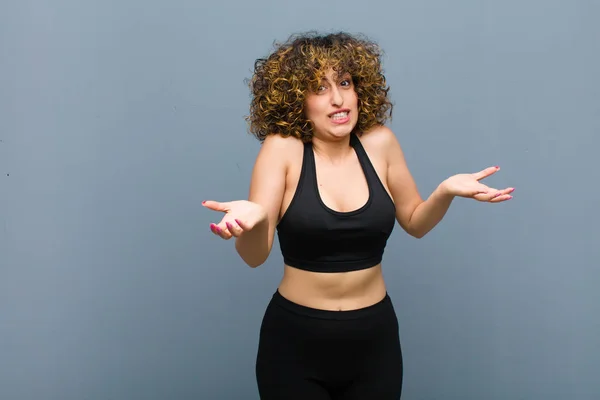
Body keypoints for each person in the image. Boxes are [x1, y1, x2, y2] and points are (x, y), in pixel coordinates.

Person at [202, 31, 513, 400]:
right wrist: (252, 221)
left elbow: (415, 222)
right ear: (296, 99)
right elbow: (255, 257)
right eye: (320, 88)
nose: (338, 99)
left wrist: (444, 192)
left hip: (374, 341)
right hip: (295, 344)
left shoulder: (380, 142)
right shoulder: (281, 149)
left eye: (345, 83)